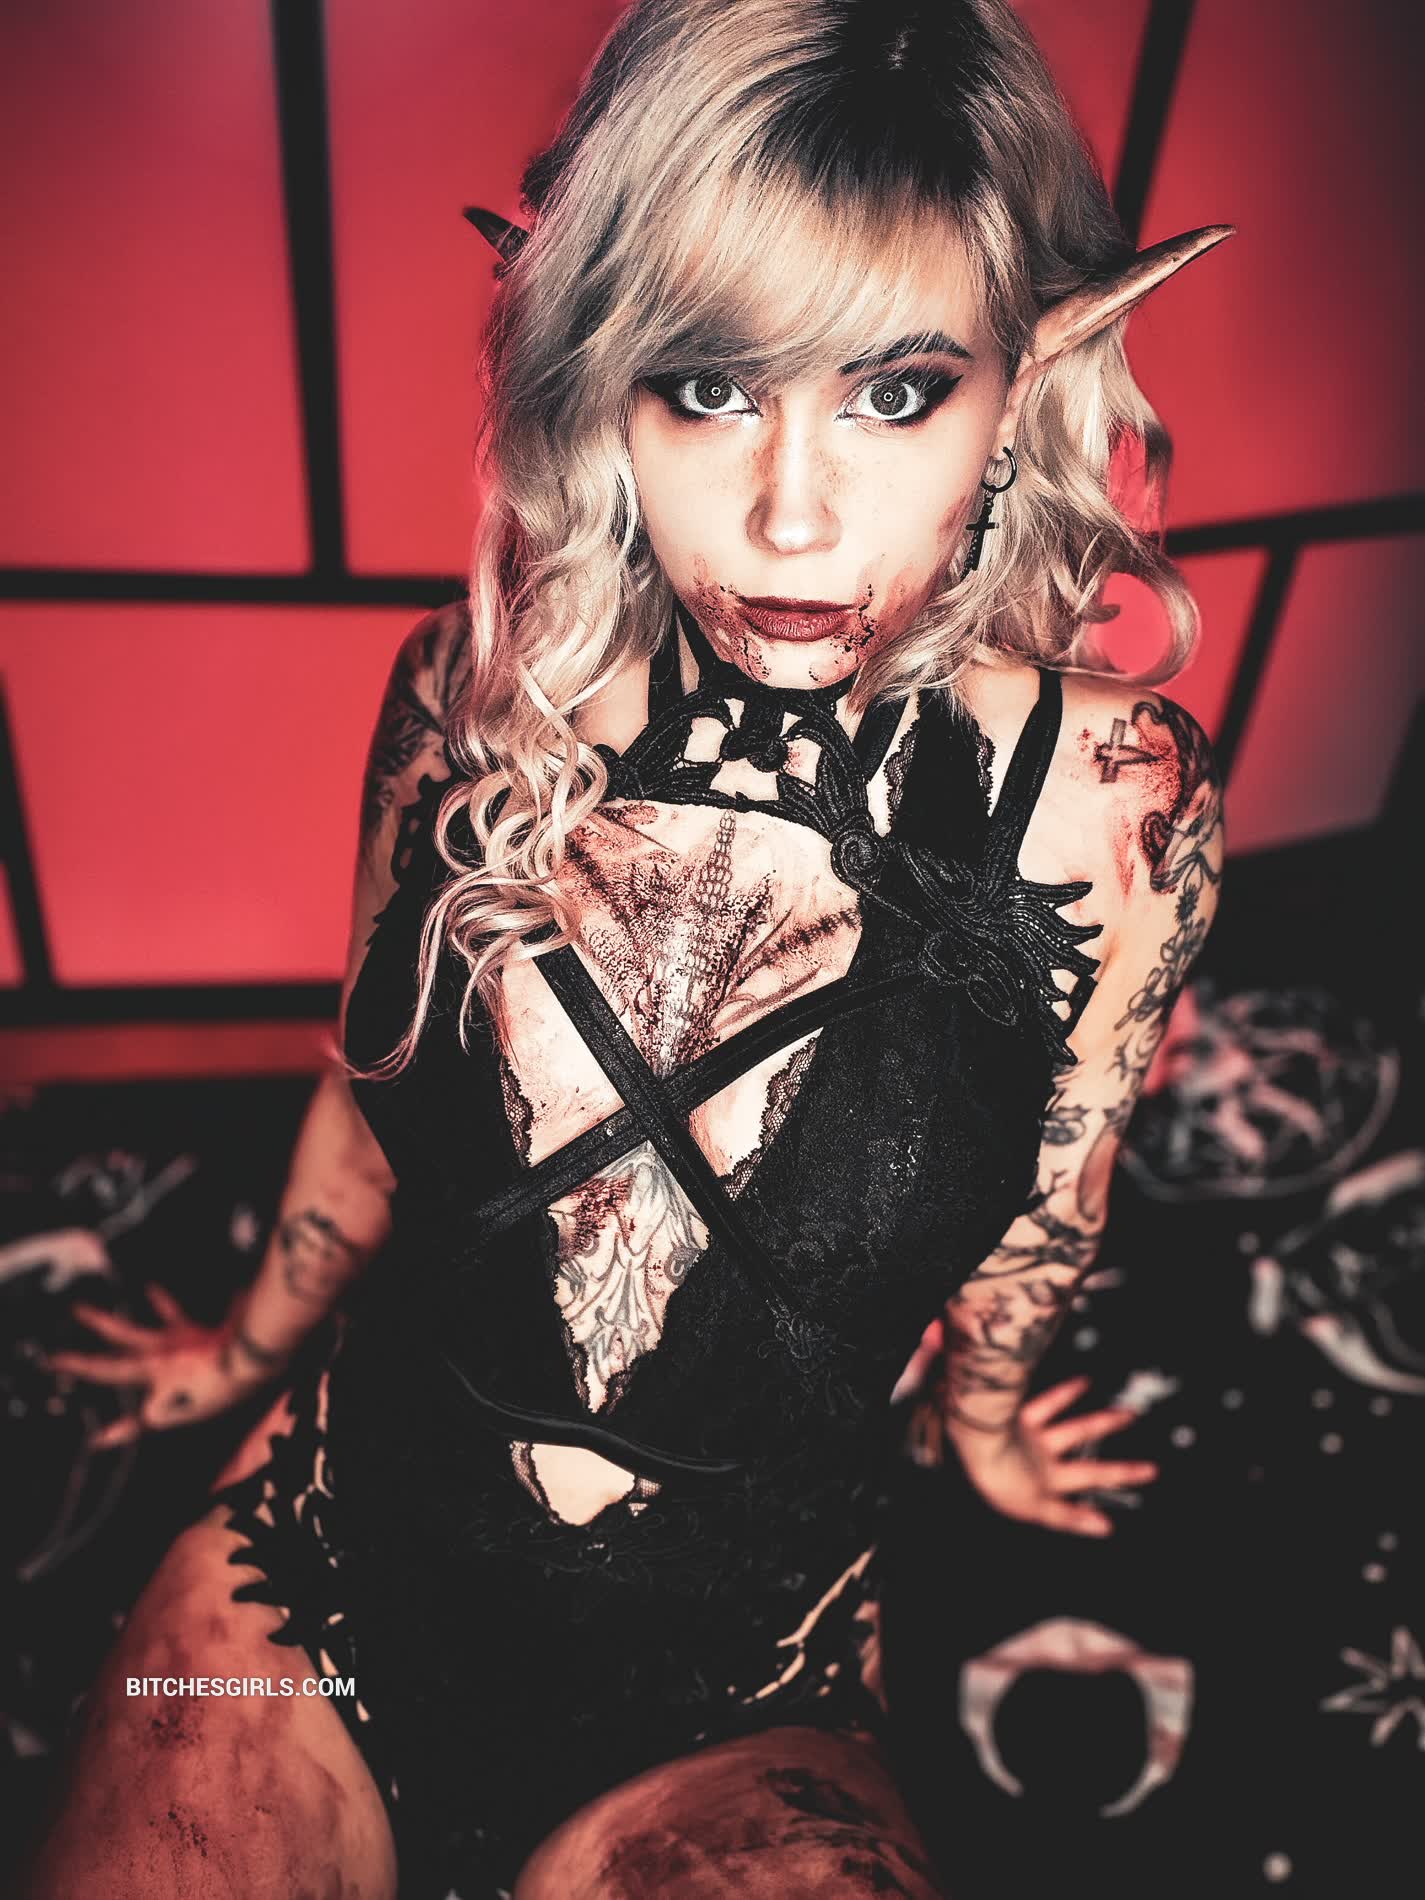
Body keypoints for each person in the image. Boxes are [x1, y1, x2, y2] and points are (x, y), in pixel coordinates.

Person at [19, 1, 1231, 1894]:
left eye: (894, 394)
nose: (790, 514)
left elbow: (1046, 1202)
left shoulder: (1113, 796)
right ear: (604, 380)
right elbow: (371, 1073)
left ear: (1025, 381)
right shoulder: (471, 692)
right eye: (709, 385)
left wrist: (983, 1429)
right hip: (312, 1582)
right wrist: (246, 1349)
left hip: (745, 1679)